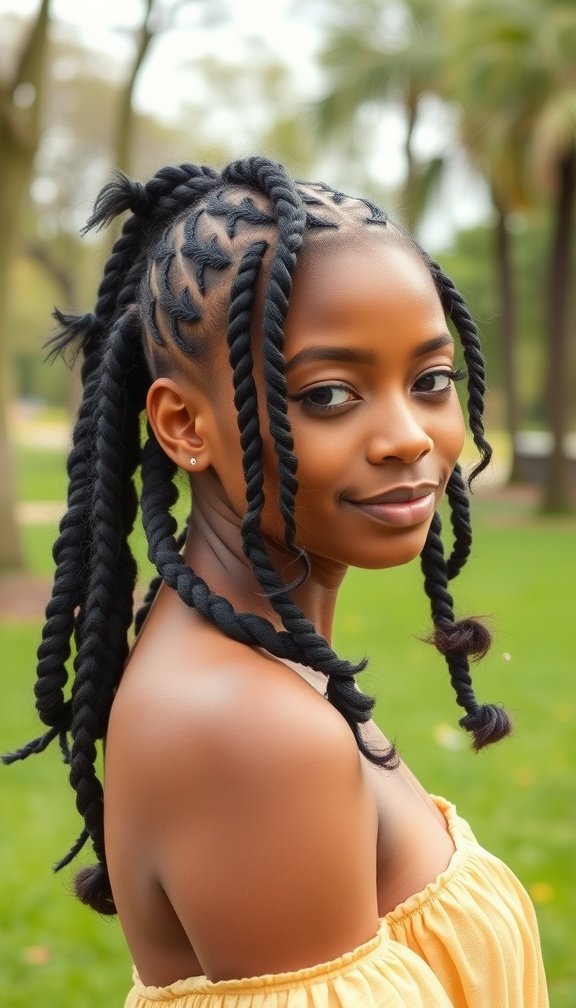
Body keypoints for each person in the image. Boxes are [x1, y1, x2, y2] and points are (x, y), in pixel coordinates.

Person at [6, 156, 548, 1006]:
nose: (408, 436)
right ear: (185, 425)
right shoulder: (246, 730)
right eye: (329, 394)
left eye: (430, 381)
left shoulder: (267, 670)